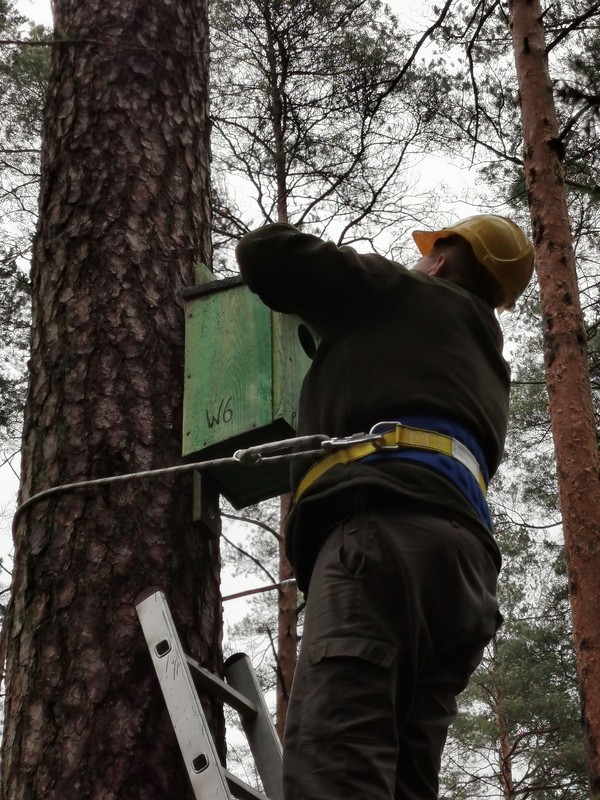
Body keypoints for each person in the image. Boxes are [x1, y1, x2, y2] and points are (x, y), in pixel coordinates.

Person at [235, 215, 534, 800]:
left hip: (380, 546)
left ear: (443, 261)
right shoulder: (488, 366)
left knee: (337, 763)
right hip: (464, 576)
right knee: (405, 780)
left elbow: (266, 254)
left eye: (429, 254)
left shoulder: (404, 292)